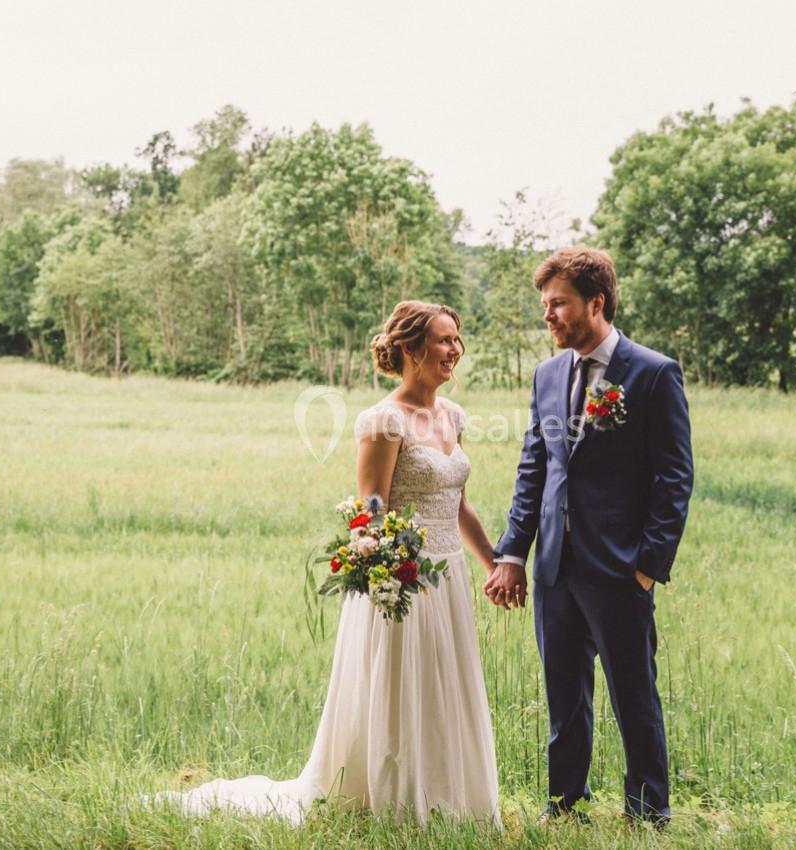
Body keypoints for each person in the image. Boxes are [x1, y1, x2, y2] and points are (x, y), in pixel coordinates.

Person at [150, 301, 501, 825]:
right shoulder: (384, 421)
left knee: (443, 688)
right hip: (402, 580)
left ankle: (449, 798)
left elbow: (460, 507)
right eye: (444, 340)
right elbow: (372, 506)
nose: (455, 350)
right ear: (411, 348)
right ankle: (396, 799)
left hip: (449, 577)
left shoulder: (454, 416)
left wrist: (496, 565)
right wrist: (386, 567)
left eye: (457, 339)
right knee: (401, 688)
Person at [484, 247, 693, 827]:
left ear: (595, 302)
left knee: (634, 697)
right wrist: (513, 552)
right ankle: (564, 805)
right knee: (564, 698)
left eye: (558, 304)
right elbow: (535, 468)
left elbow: (675, 478)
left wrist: (648, 565)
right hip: (555, 566)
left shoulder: (653, 373)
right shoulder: (547, 375)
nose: (548, 315)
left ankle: (648, 812)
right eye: (545, 304)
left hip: (621, 569)